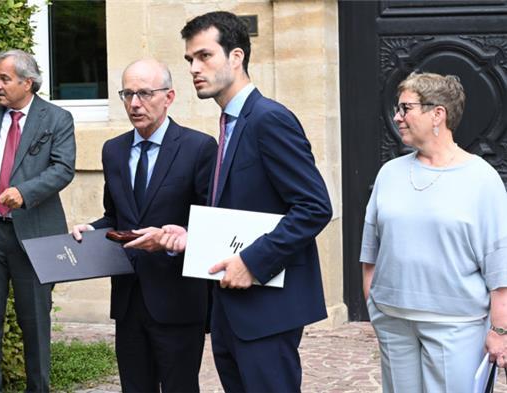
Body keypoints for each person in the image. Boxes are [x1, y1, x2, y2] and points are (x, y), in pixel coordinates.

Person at [128, 11, 333, 392]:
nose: (194, 68)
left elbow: (314, 207)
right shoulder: (229, 123)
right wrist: (192, 236)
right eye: (190, 59)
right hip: (230, 308)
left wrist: (252, 262)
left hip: (267, 308)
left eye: (205, 56)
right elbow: (246, 211)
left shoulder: (268, 119)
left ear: (236, 57)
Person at [70, 59, 216, 392]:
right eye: (128, 94)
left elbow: (212, 222)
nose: (135, 104)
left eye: (145, 93)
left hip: (177, 298)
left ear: (169, 97)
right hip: (129, 299)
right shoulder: (114, 151)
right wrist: (92, 230)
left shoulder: (199, 148)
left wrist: (171, 241)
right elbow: (115, 216)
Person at [360, 72, 507, 391]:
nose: (397, 117)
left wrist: (500, 330)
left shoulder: (481, 179)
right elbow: (370, 248)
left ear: (437, 113)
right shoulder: (390, 173)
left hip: (456, 326)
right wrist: (375, 304)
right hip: (393, 321)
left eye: (405, 108)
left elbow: (500, 264)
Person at [0, 48, 75, 392]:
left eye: (4, 78)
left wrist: (24, 192)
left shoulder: (57, 118)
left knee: (36, 321)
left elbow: (63, 168)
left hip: (36, 235)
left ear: (28, 82)